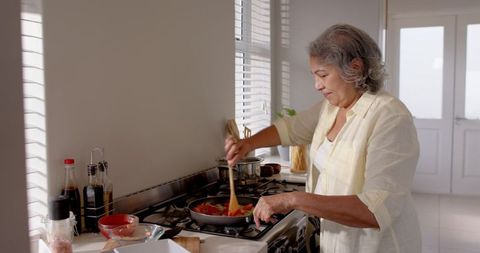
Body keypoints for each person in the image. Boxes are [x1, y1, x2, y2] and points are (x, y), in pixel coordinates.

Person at [224, 24, 421, 253]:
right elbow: (291, 128)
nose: (317, 85)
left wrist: (292, 200)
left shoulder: (390, 117)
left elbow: (374, 210)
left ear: (355, 68)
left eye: (323, 75)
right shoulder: (331, 107)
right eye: (315, 76)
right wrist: (248, 143)